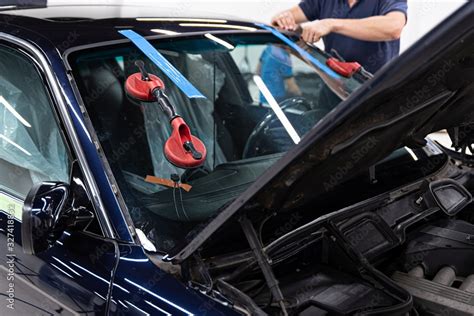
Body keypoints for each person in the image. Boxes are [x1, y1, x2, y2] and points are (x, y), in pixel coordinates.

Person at [271, 0, 408, 74]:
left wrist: (332, 24)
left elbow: (394, 27)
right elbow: (277, 21)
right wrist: (285, 21)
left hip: (374, 92)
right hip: (333, 87)